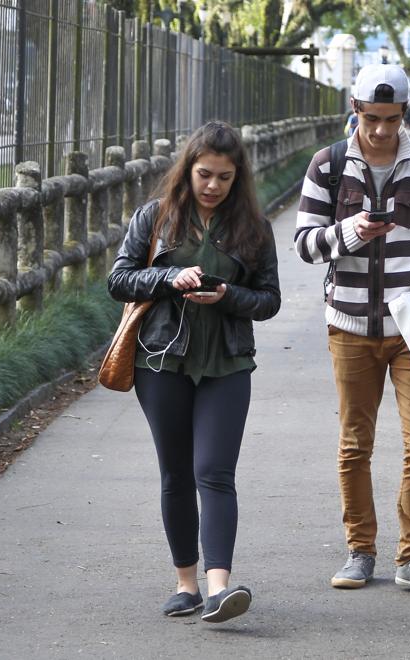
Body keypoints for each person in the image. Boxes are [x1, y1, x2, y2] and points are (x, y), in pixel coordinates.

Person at [295, 63, 410, 598]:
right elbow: (304, 245)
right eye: (371, 119)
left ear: (404, 116)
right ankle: (360, 550)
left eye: (391, 120)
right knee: (356, 443)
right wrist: (349, 231)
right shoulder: (327, 166)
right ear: (355, 111)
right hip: (348, 325)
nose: (380, 131)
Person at [107, 121, 282, 622]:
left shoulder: (254, 229)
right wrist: (167, 277)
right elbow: (120, 280)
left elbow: (269, 301)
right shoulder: (155, 217)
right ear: (187, 171)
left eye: (225, 177)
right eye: (205, 174)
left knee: (215, 472)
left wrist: (228, 296)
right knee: (177, 474)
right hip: (161, 361)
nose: (213, 186)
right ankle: (186, 583)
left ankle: (218, 587)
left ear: (237, 178)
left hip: (227, 364)